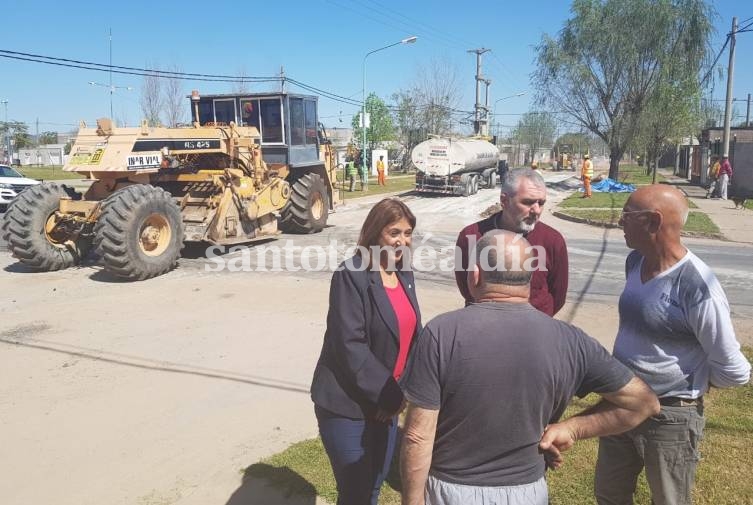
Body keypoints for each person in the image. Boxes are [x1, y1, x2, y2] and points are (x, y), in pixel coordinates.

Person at [399, 230, 660, 505]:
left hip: (451, 491)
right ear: (530, 278)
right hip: (528, 492)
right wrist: (572, 428)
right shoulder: (570, 340)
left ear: (475, 275)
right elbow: (643, 403)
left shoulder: (442, 332)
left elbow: (418, 435)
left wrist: (412, 500)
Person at [594, 185, 751, 505]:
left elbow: (734, 369)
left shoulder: (696, 286)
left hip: (670, 418)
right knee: (609, 494)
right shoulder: (635, 262)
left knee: (669, 499)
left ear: (653, 222)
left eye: (627, 215)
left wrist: (687, 386)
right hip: (622, 403)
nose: (620, 222)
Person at [310, 198, 422, 505]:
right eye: (394, 232)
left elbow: (412, 338)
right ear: (375, 233)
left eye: (408, 233)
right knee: (356, 493)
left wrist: (404, 390)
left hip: (388, 404)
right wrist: (390, 396)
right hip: (348, 406)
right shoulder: (351, 275)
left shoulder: (403, 273)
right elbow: (350, 346)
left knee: (374, 486)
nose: (402, 241)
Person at [454, 168, 568, 316]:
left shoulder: (552, 240)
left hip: (534, 332)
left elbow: (558, 295)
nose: (537, 210)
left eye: (541, 203)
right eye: (528, 202)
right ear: (504, 201)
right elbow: (465, 287)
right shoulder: (470, 236)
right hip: (482, 328)